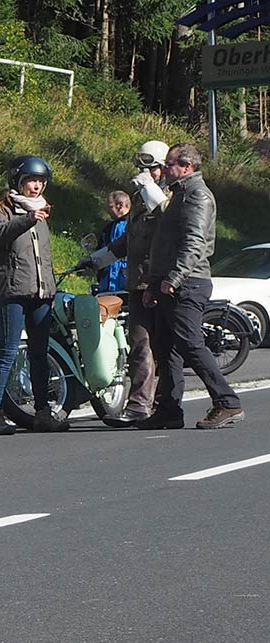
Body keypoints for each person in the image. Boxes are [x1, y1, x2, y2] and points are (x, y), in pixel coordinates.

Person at [138, 143, 244, 430]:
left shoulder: (197, 196)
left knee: (190, 343)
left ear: (186, 167)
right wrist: (154, 282)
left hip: (189, 282)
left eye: (169, 164)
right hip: (169, 281)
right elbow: (165, 244)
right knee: (167, 347)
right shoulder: (179, 195)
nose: (164, 169)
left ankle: (227, 402)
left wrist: (174, 278)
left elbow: (194, 243)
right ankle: (169, 410)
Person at [76, 140, 169, 421]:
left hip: (165, 282)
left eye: (152, 168)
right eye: (142, 167)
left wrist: (149, 188)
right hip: (139, 281)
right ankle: (140, 406)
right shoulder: (140, 197)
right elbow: (127, 240)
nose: (146, 173)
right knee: (140, 345)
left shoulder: (175, 195)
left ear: (164, 168)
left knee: (168, 348)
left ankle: (169, 404)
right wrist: (97, 260)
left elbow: (170, 220)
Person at [0, 155, 67, 435]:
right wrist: (29, 219)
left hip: (41, 292)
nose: (37, 187)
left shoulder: (42, 213)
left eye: (41, 181)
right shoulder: (0, 211)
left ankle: (43, 412)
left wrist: (52, 285)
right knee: (7, 350)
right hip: (13, 291)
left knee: (39, 354)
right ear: (18, 181)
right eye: (32, 180)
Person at [93, 191, 130, 293]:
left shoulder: (134, 225)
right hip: (107, 285)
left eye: (110, 206)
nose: (107, 210)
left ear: (120, 205)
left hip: (125, 285)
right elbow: (101, 250)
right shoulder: (108, 228)